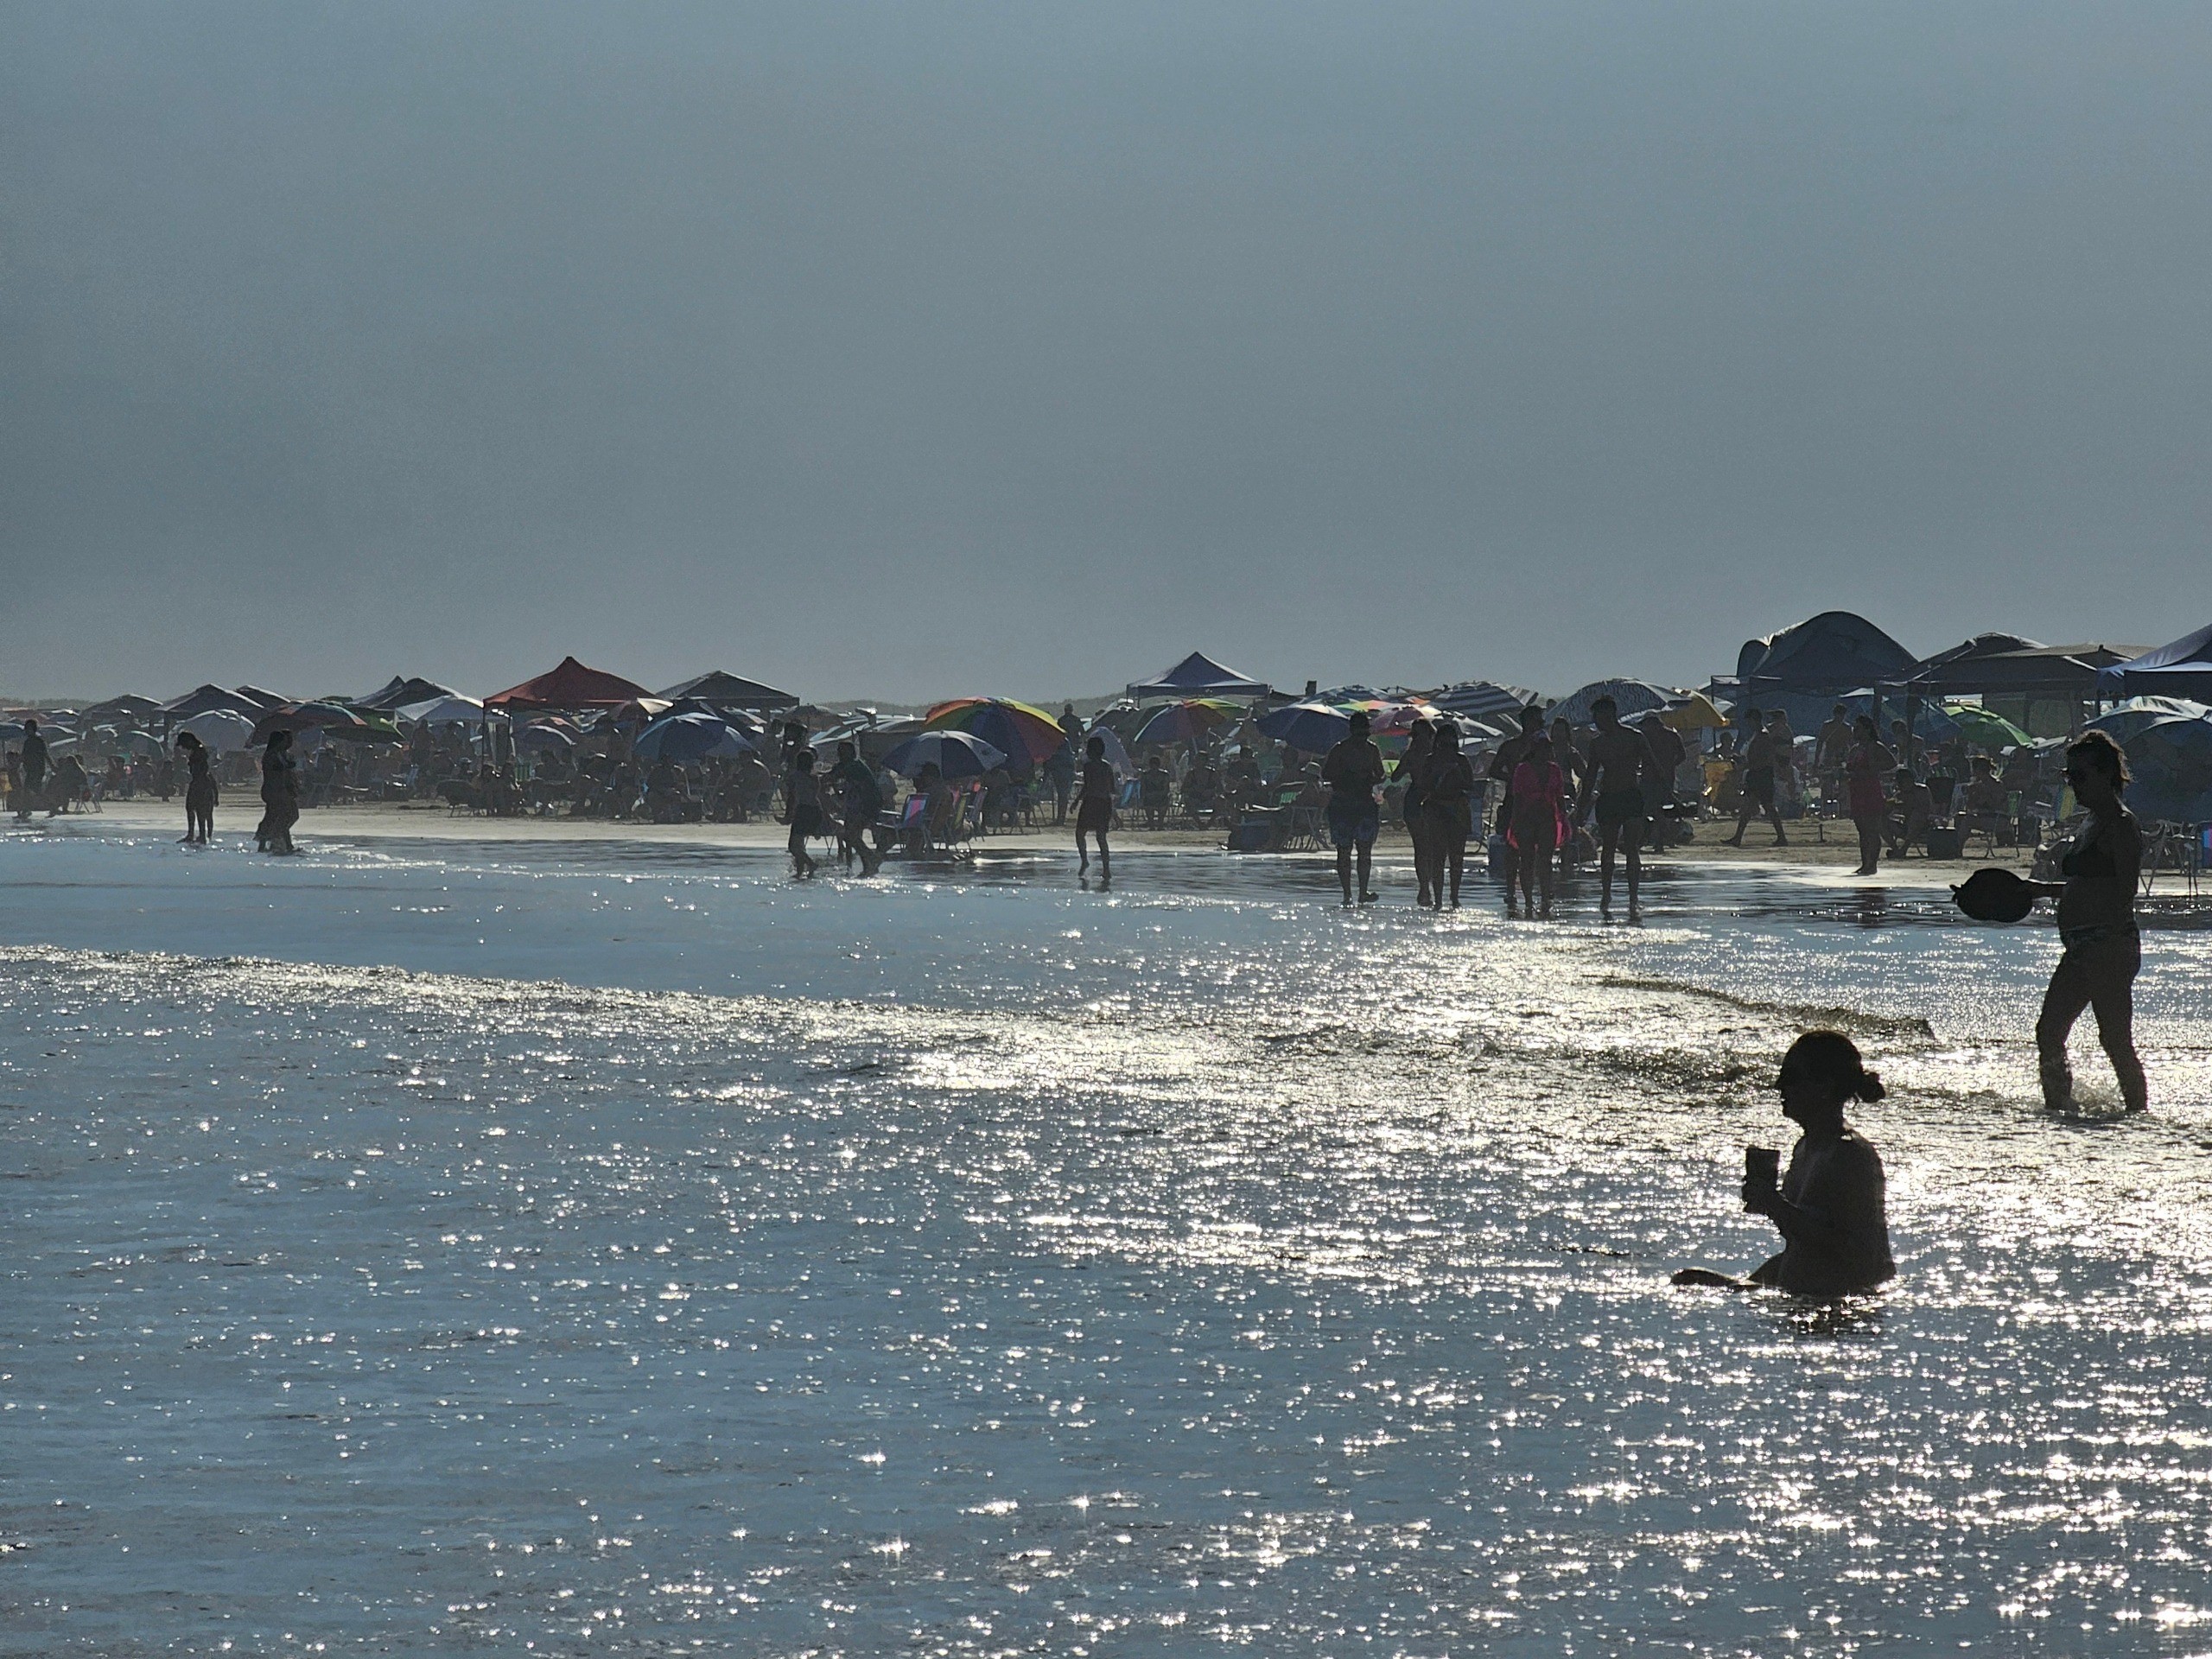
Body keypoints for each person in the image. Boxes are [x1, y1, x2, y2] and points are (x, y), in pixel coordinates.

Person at [1674, 1031, 1896, 1297]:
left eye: (1791, 1077)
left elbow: (1856, 1252)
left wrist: (1776, 1206)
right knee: (1688, 1279)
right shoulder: (1805, 1147)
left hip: (1845, 1300)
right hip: (1805, 1294)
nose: (1779, 1086)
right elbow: (1800, 1246)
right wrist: (1744, 1284)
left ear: (1824, 1087)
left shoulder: (1850, 1155)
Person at [2025, 731, 2145, 1115]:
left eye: (2079, 776)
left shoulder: (2121, 825)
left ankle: (2134, 1113)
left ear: (2106, 774)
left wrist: (2083, 873)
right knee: (2059, 1032)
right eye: (2068, 776)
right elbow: (2086, 886)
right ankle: (2063, 1107)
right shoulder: (2091, 822)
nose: (2072, 784)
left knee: (2107, 1038)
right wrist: (2042, 890)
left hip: (2106, 946)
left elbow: (2123, 890)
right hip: (2084, 945)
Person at [1579, 695, 1656, 919]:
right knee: (1608, 848)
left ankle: (1633, 898)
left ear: (1610, 715)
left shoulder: (1635, 737)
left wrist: (1659, 795)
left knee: (1632, 848)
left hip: (1631, 796)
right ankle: (1606, 896)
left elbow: (1653, 766)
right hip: (1609, 797)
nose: (1596, 722)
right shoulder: (1597, 744)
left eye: (1598, 717)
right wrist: (1582, 806)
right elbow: (1590, 777)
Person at [1320, 710, 1386, 905]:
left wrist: (1366, 778)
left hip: (1355, 804)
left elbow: (1380, 774)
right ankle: (1350, 894)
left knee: (1357, 851)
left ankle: (1356, 893)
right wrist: (1351, 777)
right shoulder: (1347, 749)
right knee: (1350, 851)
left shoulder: (1358, 749)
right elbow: (1326, 774)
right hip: (1349, 803)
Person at [1507, 732, 1567, 918]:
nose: (1545, 751)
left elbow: (1559, 796)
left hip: (1547, 818)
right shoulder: (1523, 769)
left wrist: (1564, 818)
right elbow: (1517, 797)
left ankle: (1545, 899)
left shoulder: (1554, 770)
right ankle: (1528, 901)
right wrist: (1515, 822)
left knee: (1545, 861)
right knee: (1527, 860)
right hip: (1526, 818)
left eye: (1547, 747)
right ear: (1534, 748)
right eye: (1542, 747)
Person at [1422, 721, 1478, 908]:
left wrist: (1456, 773)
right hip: (1436, 808)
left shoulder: (1461, 760)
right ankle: (1438, 899)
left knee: (1456, 857)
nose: (1447, 749)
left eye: (1451, 744)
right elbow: (1423, 785)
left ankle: (1454, 897)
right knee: (1437, 857)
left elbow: (1470, 785)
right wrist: (1437, 774)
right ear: (1437, 743)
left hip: (1457, 808)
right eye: (1443, 744)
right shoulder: (1431, 760)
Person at [1722, 708, 1787, 848]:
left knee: (1766, 806)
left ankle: (1781, 837)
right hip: (1757, 774)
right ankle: (1738, 837)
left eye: (1749, 721)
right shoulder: (1758, 735)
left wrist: (1745, 765)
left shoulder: (1763, 736)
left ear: (1754, 720)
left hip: (1761, 775)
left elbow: (1763, 759)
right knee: (1751, 807)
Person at [1394, 720, 1439, 907]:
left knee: (1429, 847)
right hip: (1423, 799)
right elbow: (1395, 776)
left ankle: (1429, 888)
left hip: (1427, 799)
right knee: (1423, 847)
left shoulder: (1417, 755)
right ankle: (1425, 888)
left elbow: (1396, 776)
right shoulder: (1434, 754)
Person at [1844, 716, 1894, 876]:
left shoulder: (1875, 746)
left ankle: (1872, 864)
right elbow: (1850, 767)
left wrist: (1874, 768)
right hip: (1856, 789)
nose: (1855, 731)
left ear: (1867, 730)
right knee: (1861, 829)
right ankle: (1865, 862)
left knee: (1872, 828)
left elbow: (1892, 763)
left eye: (1858, 728)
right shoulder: (1855, 749)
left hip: (1870, 789)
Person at [1486, 705, 1546, 840]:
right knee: (1511, 837)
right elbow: (1494, 770)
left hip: (1540, 797)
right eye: (1539, 722)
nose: (1542, 725)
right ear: (1528, 722)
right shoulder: (1511, 746)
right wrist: (1514, 778)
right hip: (1514, 797)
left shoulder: (1544, 747)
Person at [830, 741, 884, 875]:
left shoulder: (855, 766)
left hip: (867, 806)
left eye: (843, 751)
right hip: (855, 805)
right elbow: (831, 775)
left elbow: (832, 776)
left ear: (852, 753)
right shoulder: (845, 765)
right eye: (839, 751)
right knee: (851, 836)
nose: (840, 754)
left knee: (850, 836)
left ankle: (871, 857)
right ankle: (864, 867)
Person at [1075, 734, 1116, 882]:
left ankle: (1084, 860)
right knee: (1101, 837)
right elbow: (1112, 788)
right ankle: (1106, 869)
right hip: (1104, 802)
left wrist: (1076, 801)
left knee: (1080, 833)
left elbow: (1087, 786)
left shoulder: (1088, 766)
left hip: (1091, 801)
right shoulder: (1107, 766)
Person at [785, 746, 823, 877]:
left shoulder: (795, 777)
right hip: (816, 810)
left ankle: (810, 864)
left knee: (793, 846)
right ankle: (800, 871)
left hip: (803, 810)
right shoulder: (815, 777)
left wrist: (787, 816)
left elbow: (792, 797)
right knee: (799, 843)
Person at [258, 729, 299, 854]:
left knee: (284, 815)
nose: (287, 743)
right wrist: (286, 766)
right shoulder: (271, 755)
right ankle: (275, 841)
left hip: (280, 789)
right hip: (273, 790)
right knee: (278, 815)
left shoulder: (281, 755)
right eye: (284, 741)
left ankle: (279, 841)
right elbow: (274, 769)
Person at [179, 732, 218, 843]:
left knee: (198, 809)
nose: (183, 748)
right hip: (199, 782)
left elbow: (201, 770)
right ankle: (197, 835)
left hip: (199, 783)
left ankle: (199, 835)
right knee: (193, 808)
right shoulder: (199, 750)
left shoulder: (198, 752)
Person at [16, 717, 48, 820]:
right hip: (33, 770)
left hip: (36, 770)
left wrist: (17, 764)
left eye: (28, 729)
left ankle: (27, 809)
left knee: (30, 790)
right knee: (33, 790)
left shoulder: (34, 741)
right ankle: (27, 809)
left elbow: (45, 754)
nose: (26, 731)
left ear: (33, 729)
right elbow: (24, 756)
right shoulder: (34, 741)